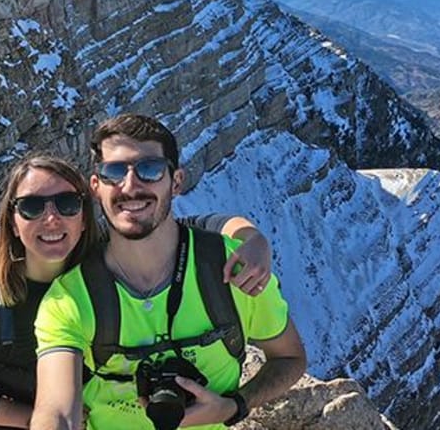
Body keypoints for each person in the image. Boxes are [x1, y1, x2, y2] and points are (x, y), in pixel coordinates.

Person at [0, 154, 275, 429]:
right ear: (12, 221)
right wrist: (33, 420)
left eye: (67, 203)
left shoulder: (104, 260)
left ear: (84, 217)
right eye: (32, 207)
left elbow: (194, 229)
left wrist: (252, 240)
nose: (52, 218)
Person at [31, 115, 307, 430]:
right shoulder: (71, 297)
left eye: (149, 170)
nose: (130, 186)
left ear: (176, 182)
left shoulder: (232, 269)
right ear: (96, 187)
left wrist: (233, 407)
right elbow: (55, 411)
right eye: (114, 172)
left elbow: (289, 358)